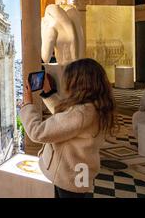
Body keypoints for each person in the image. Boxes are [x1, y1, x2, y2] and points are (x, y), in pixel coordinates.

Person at [20, 58, 116, 198]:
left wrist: (27, 105)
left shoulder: (81, 114)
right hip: (79, 173)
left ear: (78, 83)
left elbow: (37, 132)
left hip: (68, 176)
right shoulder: (97, 106)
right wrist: (48, 93)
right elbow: (67, 119)